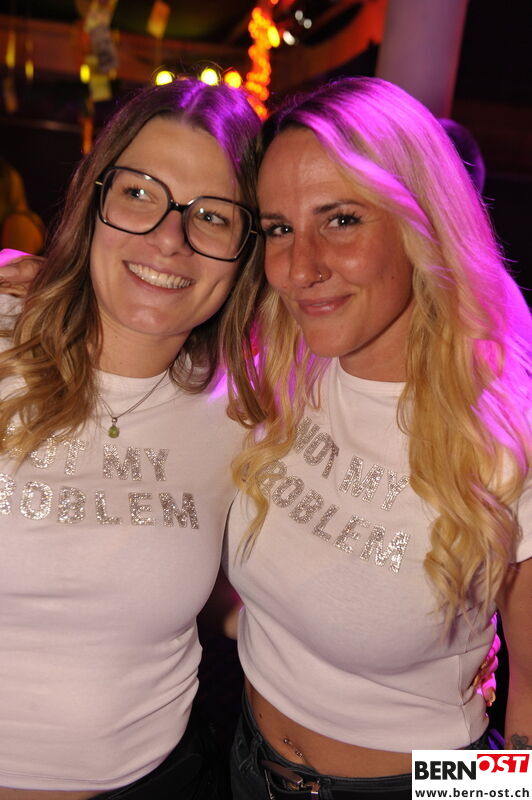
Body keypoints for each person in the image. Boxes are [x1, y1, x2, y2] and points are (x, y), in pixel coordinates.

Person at [224, 77, 531, 799]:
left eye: (340, 220)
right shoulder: (280, 370)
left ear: (421, 221)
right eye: (278, 229)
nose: (298, 269)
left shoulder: (508, 435)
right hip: (246, 760)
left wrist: (461, 793)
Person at [0, 77, 262, 799]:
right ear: (94, 198)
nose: (169, 239)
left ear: (247, 248)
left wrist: (489, 766)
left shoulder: (252, 409)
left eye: (212, 215)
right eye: (140, 193)